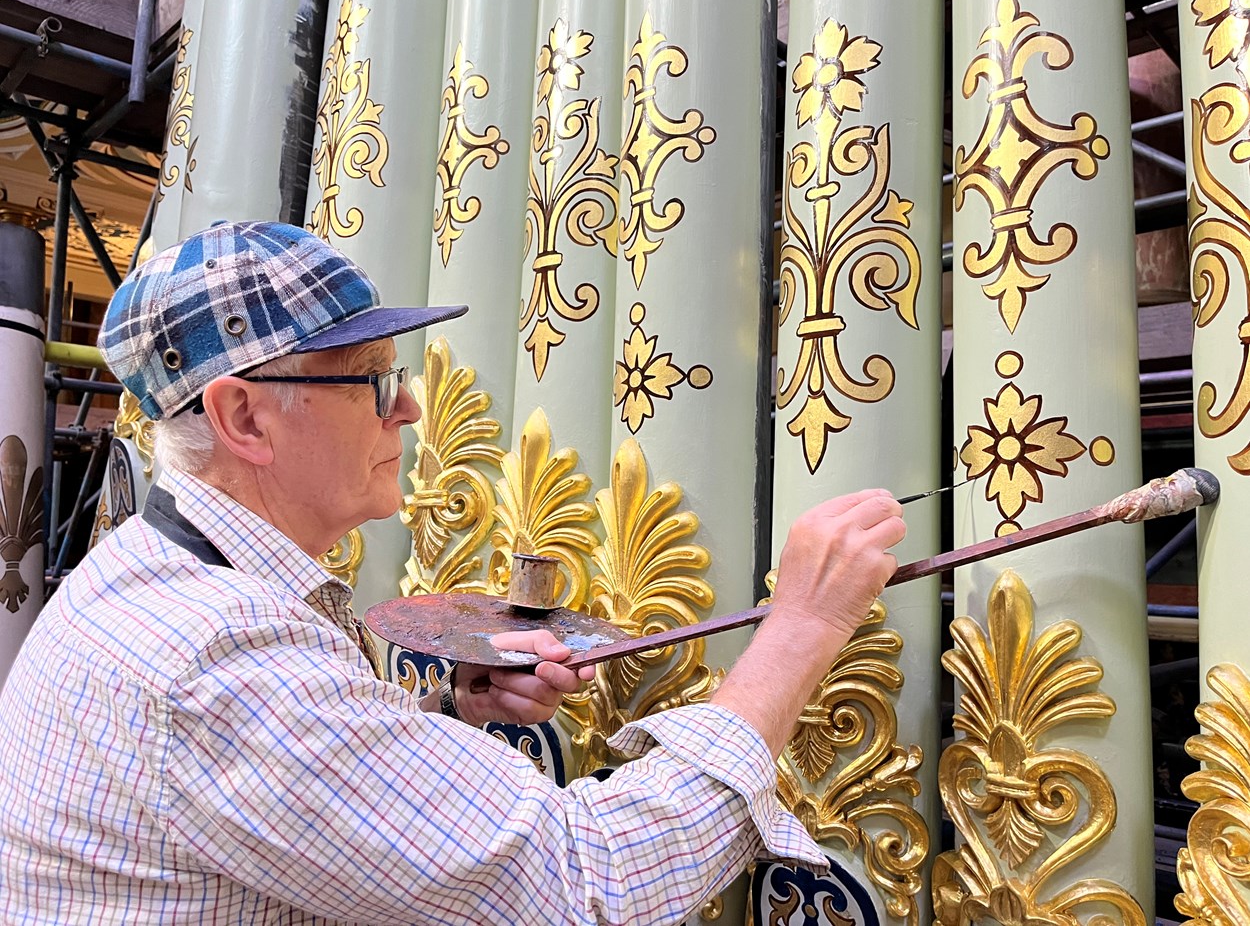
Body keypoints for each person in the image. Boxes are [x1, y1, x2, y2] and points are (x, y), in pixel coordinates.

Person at [0, 220, 905, 925]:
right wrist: (801, 627)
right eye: (372, 380)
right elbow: (592, 884)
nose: (410, 406)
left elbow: (285, 783)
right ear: (244, 419)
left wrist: (452, 713)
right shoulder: (217, 659)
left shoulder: (149, 569)